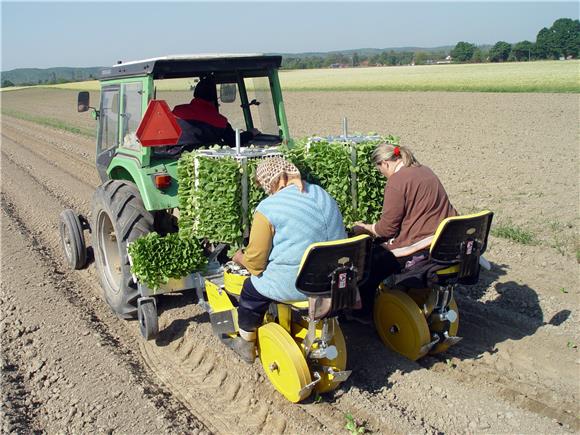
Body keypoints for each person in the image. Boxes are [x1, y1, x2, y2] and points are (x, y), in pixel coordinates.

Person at [230, 157, 346, 363]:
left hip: (298, 285)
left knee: (250, 291)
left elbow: (256, 263)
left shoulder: (268, 208)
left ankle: (246, 342)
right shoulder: (322, 193)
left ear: (270, 181)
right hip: (337, 281)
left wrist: (240, 258)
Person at [352, 143, 457, 319]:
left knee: (368, 263)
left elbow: (386, 229)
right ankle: (403, 293)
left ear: (385, 163)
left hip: (421, 245)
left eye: (380, 170)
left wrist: (366, 228)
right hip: (444, 240)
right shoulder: (426, 171)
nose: (382, 175)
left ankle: (364, 315)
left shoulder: (397, 181)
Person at [172, 76, 259, 147]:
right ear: (214, 99)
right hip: (203, 158)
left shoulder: (177, 111)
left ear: (196, 94)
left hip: (171, 154)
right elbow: (233, 141)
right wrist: (251, 133)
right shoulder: (220, 121)